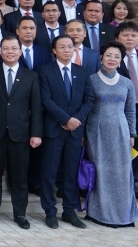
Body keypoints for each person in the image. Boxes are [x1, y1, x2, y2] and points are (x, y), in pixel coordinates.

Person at [0, 35, 42, 230]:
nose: (9, 51)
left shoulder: (30, 75)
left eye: (13, 48)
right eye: (5, 48)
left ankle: (20, 214)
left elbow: (36, 107)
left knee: (19, 177)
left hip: (21, 134)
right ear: (0, 51)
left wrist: (36, 133)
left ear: (20, 51)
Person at [38, 35, 94, 229]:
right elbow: (45, 100)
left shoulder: (83, 72)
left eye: (70, 47)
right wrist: (65, 119)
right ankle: (50, 211)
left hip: (74, 132)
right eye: (62, 47)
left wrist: (75, 120)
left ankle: (69, 211)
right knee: (49, 173)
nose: (67, 50)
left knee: (71, 173)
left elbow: (89, 99)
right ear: (54, 50)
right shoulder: (45, 71)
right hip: (54, 130)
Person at [85, 41, 138, 227]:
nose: (112, 59)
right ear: (101, 57)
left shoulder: (127, 83)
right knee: (101, 172)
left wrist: (132, 133)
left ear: (121, 60)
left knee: (122, 173)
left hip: (121, 131)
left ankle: (124, 215)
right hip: (96, 131)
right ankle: (99, 214)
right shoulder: (91, 80)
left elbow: (130, 110)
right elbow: (87, 108)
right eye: (109, 55)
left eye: (117, 56)